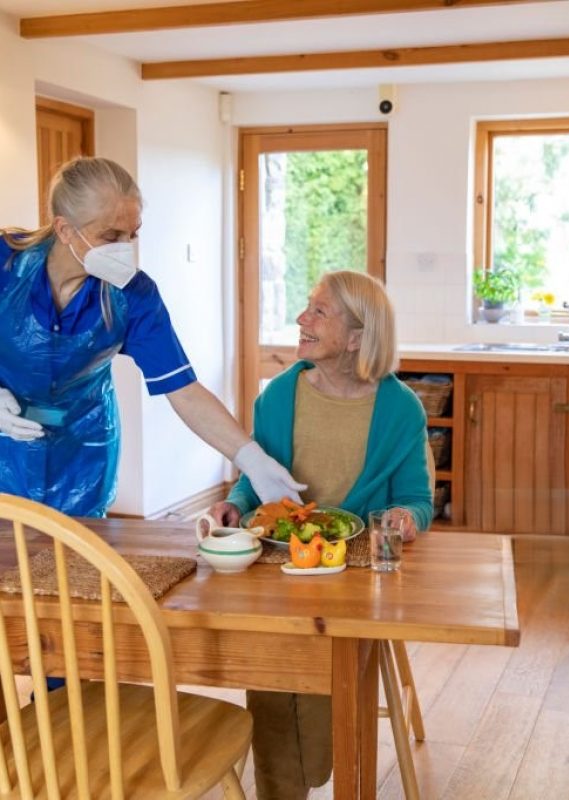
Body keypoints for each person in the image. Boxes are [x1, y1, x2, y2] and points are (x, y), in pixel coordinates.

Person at [208, 269, 433, 800]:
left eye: (319, 312)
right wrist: (235, 506)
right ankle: (279, 789)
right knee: (268, 664)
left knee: (314, 669)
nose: (301, 319)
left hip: (352, 571)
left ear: (357, 337)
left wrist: (406, 519)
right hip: (280, 561)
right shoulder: (280, 396)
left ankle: (306, 772)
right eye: (307, 307)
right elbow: (254, 479)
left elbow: (417, 500)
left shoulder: (400, 408)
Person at [0, 156, 304, 518]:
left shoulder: (132, 295)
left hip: (81, 452)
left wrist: (251, 459)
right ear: (65, 230)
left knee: (74, 567)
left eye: (133, 233)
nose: (126, 246)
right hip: (6, 445)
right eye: (111, 235)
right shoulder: (6, 261)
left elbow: (184, 390)